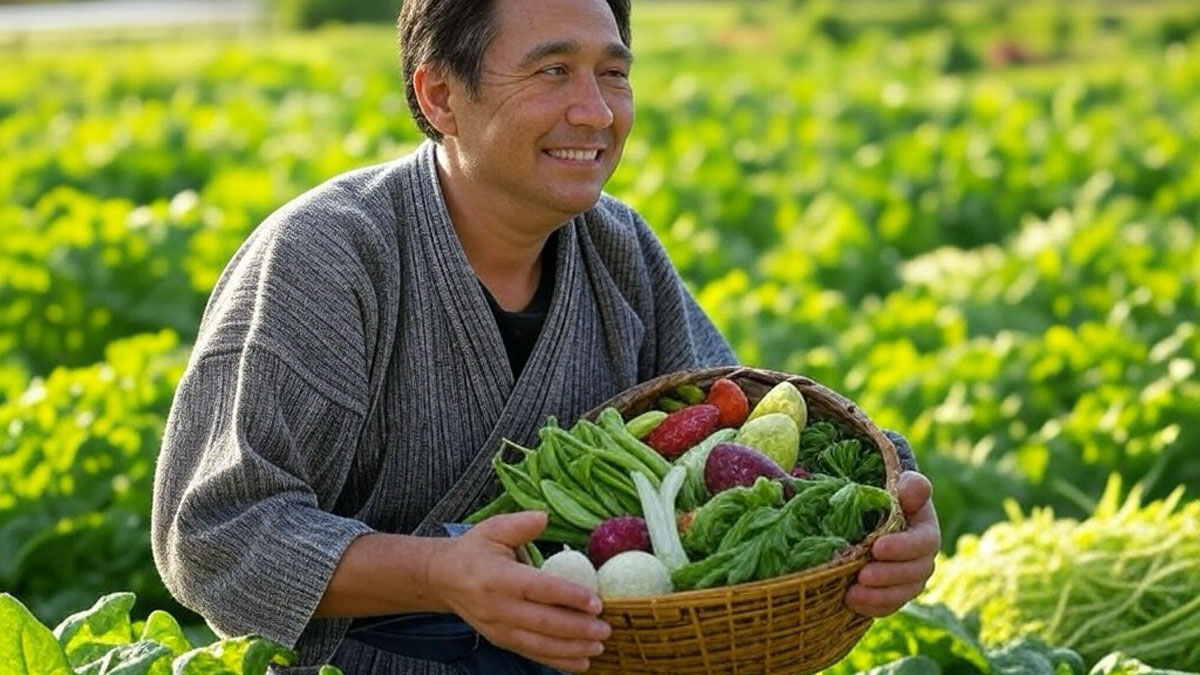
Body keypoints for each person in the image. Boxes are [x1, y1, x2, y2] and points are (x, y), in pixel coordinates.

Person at [150, 0, 941, 673]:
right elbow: (219, 530)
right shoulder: (326, 257)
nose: (596, 112)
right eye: (552, 71)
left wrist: (884, 508)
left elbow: (752, 421)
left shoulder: (620, 250)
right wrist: (440, 574)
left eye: (614, 73)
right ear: (439, 95)